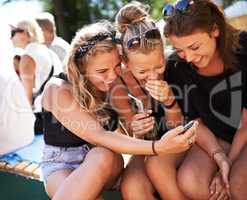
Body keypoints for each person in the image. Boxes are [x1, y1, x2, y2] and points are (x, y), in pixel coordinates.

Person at [40, 20, 198, 200]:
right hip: (62, 163)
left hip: (104, 161)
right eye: (102, 70)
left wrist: (138, 130)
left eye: (117, 66)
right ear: (81, 67)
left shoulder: (111, 84)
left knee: (104, 156)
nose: (112, 75)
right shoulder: (58, 89)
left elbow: (121, 136)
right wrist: (157, 147)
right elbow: (99, 135)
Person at [156, 0, 247, 199]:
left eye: (195, 47)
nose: (188, 57)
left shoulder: (244, 48)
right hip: (216, 138)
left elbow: (246, 125)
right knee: (191, 182)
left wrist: (227, 167)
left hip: (245, 133)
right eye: (180, 50)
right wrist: (219, 158)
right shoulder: (176, 67)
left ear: (214, 30)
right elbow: (194, 122)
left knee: (237, 184)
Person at [111, 2, 188, 199]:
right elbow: (129, 134)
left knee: (158, 169)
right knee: (132, 188)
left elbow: (178, 126)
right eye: (143, 71)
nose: (153, 76)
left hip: (179, 139)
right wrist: (135, 127)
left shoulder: (176, 66)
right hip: (146, 145)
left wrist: (169, 101)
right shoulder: (118, 83)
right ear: (125, 63)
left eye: (158, 66)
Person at [10, 19, 63, 112]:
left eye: (13, 33)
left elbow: (27, 99)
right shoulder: (47, 51)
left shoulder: (27, 57)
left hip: (48, 113)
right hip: (62, 103)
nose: (10, 38)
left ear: (26, 33)